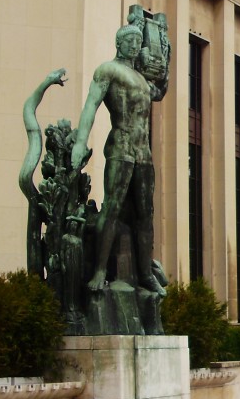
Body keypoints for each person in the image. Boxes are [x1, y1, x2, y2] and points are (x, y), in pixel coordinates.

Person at [71, 21, 169, 296]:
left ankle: (146, 273)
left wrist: (166, 52)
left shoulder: (141, 78)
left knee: (145, 214)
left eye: (139, 41)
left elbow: (160, 89)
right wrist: (81, 141)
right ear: (119, 43)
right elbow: (91, 104)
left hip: (143, 152)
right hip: (121, 146)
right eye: (131, 41)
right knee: (112, 208)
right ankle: (100, 270)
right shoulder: (108, 70)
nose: (136, 45)